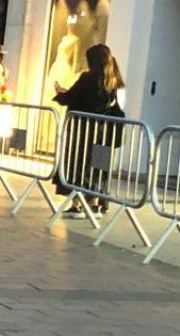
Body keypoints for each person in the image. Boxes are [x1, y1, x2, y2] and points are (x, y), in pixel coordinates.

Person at [52, 42, 125, 218]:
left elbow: (72, 97)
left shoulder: (87, 78)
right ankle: (94, 205)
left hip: (83, 131)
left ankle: (76, 205)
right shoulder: (114, 80)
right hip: (105, 133)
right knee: (98, 167)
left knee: (78, 165)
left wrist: (60, 92)